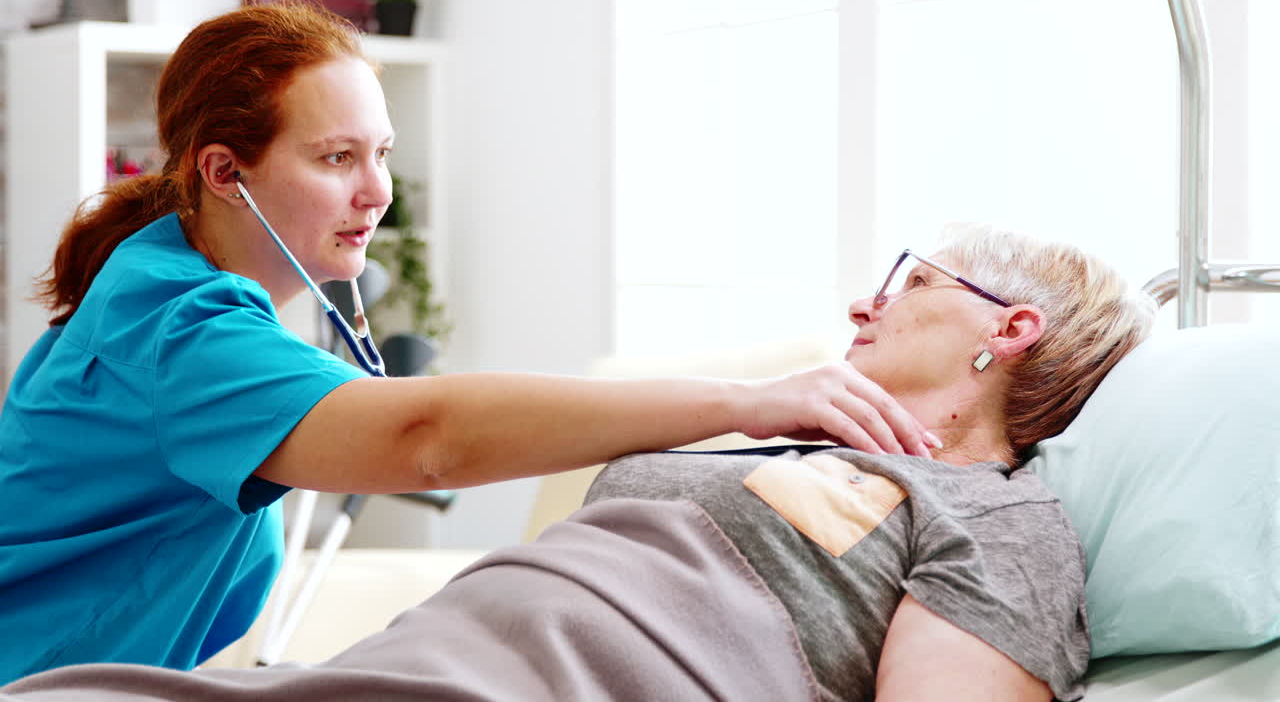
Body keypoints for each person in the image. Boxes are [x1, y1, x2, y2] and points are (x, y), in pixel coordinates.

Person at [0, 1, 942, 686]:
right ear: (225, 170)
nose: (379, 194)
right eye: (337, 158)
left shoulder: (178, 282)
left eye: (383, 152)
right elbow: (426, 439)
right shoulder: (180, 330)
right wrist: (752, 402)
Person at [0, 227, 1158, 701]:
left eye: (911, 277)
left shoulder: (999, 521)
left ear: (1007, 331)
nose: (866, 299)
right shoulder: (760, 429)